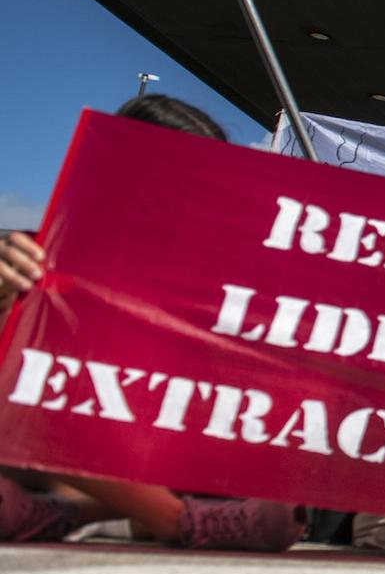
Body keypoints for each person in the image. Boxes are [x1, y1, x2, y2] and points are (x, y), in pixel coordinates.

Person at [0, 95, 305, 550]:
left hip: (123, 468)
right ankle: (174, 521)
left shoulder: (207, 291)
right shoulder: (34, 255)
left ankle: (77, 515)